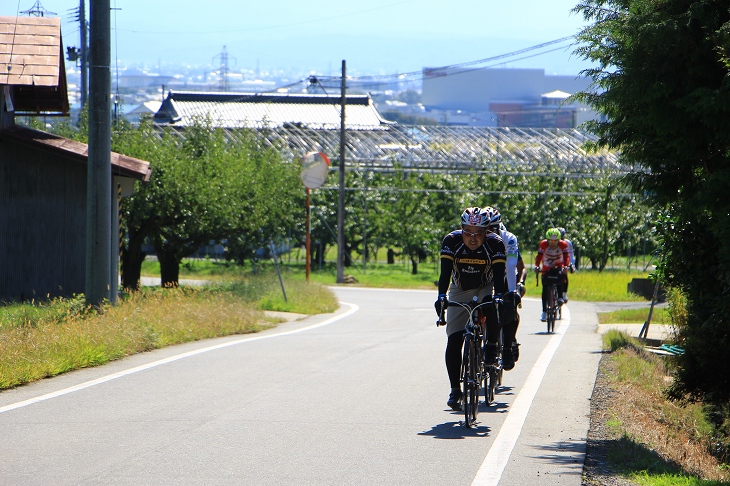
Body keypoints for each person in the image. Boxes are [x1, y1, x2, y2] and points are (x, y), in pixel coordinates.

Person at [435, 207, 508, 411]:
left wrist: (499, 297)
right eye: (468, 232)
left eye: (478, 233)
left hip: (485, 285)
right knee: (454, 338)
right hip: (459, 288)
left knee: (492, 305)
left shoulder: (495, 243)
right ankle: (455, 389)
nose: (473, 238)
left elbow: (500, 276)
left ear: (487, 232)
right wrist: (441, 297)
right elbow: (445, 274)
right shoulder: (452, 241)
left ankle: (492, 346)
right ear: (461, 229)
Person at [482, 207, 522, 368]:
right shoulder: (478, 236)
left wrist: (512, 292)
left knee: (509, 307)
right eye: (486, 228)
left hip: (505, 274)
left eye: (493, 228)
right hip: (485, 275)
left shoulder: (509, 238)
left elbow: (512, 265)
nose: (489, 232)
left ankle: (507, 347)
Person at [534, 228, 570, 322]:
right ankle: (544, 312)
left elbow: (566, 257)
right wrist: (537, 266)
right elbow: (539, 257)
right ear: (547, 240)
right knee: (545, 288)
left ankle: (560, 297)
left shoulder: (563, 244)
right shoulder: (543, 244)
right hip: (547, 265)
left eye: (555, 241)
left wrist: (566, 267)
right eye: (551, 241)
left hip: (559, 264)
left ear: (559, 240)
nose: (553, 243)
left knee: (560, 278)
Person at [557, 227, 576, 302]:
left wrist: (572, 265)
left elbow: (571, 255)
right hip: (554, 260)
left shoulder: (568, 243)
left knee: (564, 274)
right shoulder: (552, 242)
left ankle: (564, 293)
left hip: (564, 261)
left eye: (562, 237)